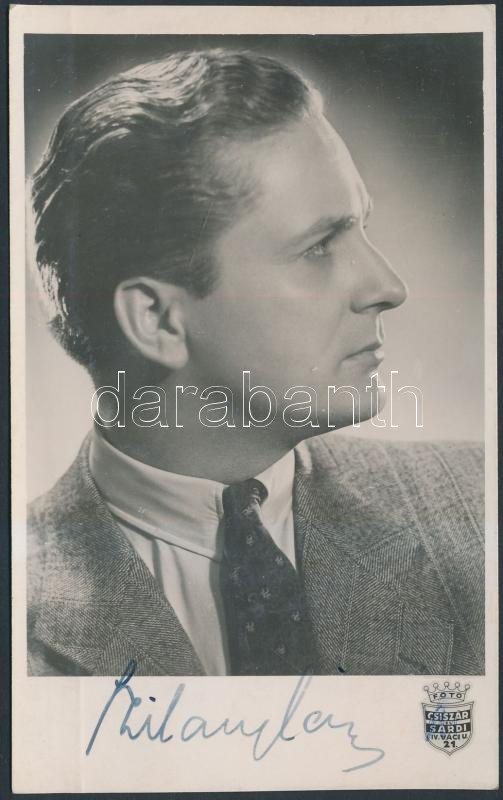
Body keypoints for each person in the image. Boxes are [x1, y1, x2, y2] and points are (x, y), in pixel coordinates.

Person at [27, 49, 484, 677]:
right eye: (318, 247)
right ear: (157, 319)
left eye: (361, 229)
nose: (387, 286)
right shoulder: (23, 615)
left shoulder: (481, 507)